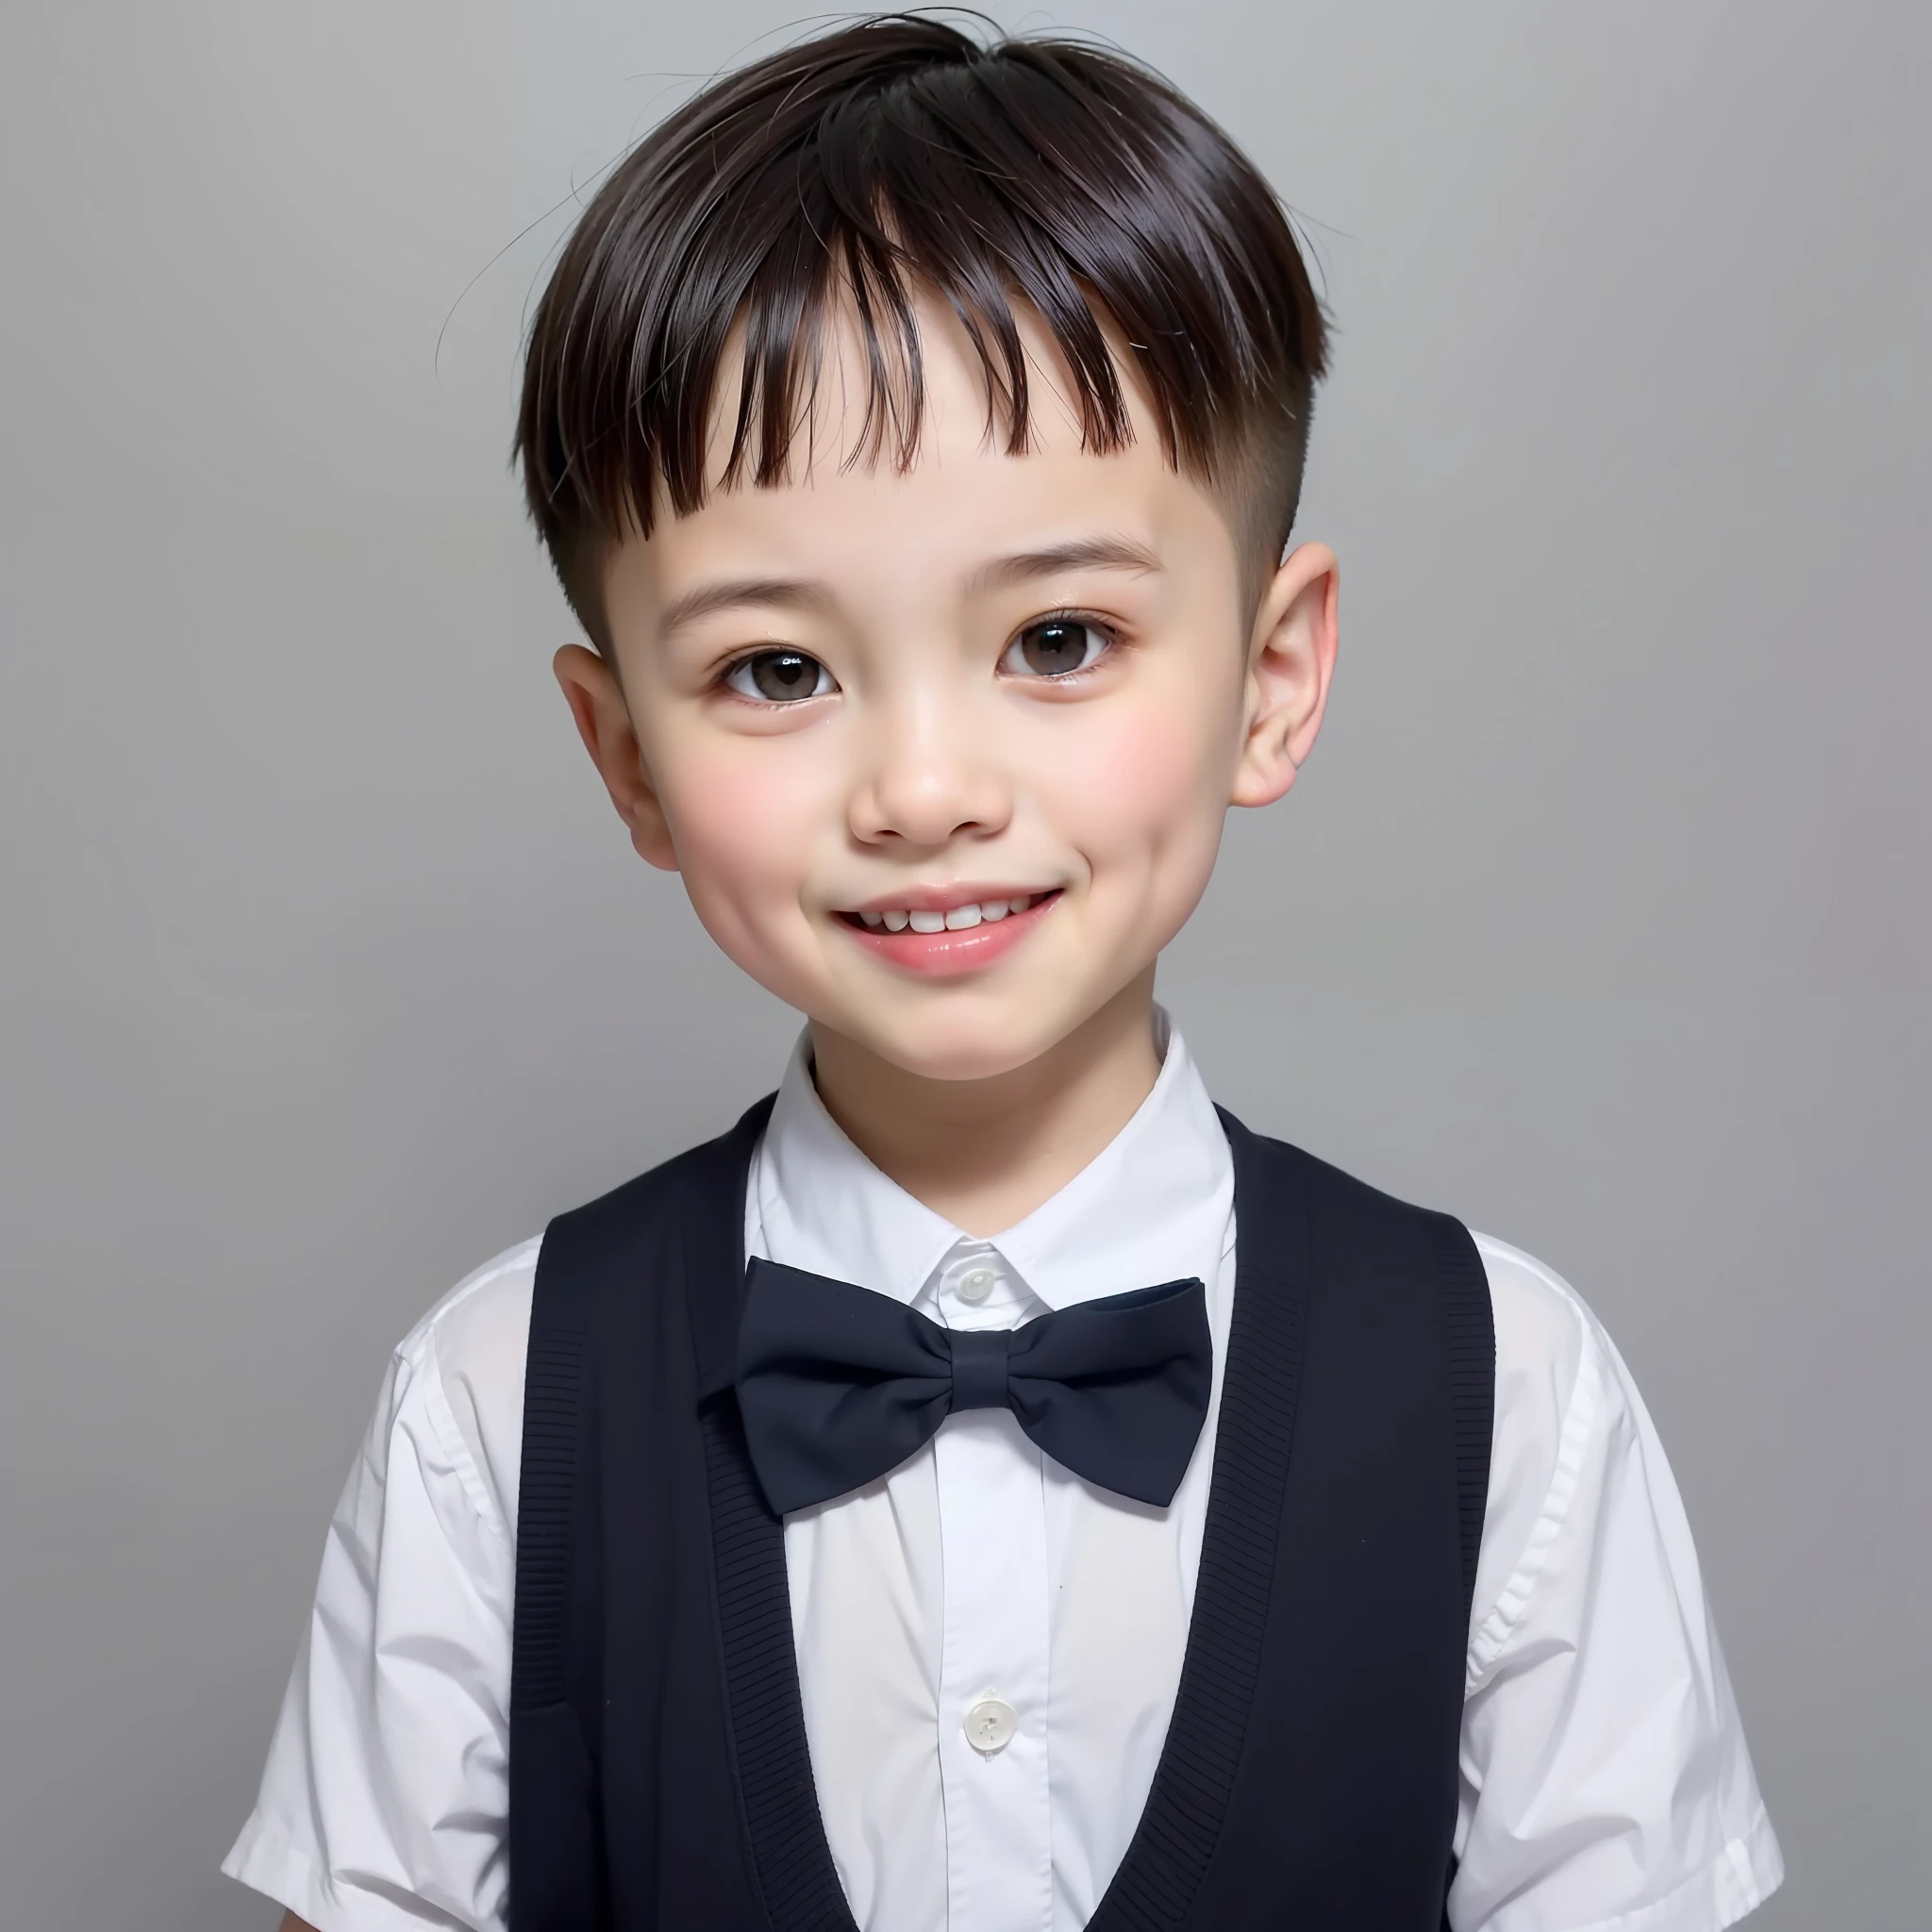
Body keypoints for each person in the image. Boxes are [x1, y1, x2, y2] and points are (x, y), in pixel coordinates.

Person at [224, 17, 1783, 1931]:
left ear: (1269, 678)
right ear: (626, 752)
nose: (927, 790)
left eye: (1056, 635)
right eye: (776, 670)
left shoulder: (1509, 1396)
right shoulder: (491, 1399)